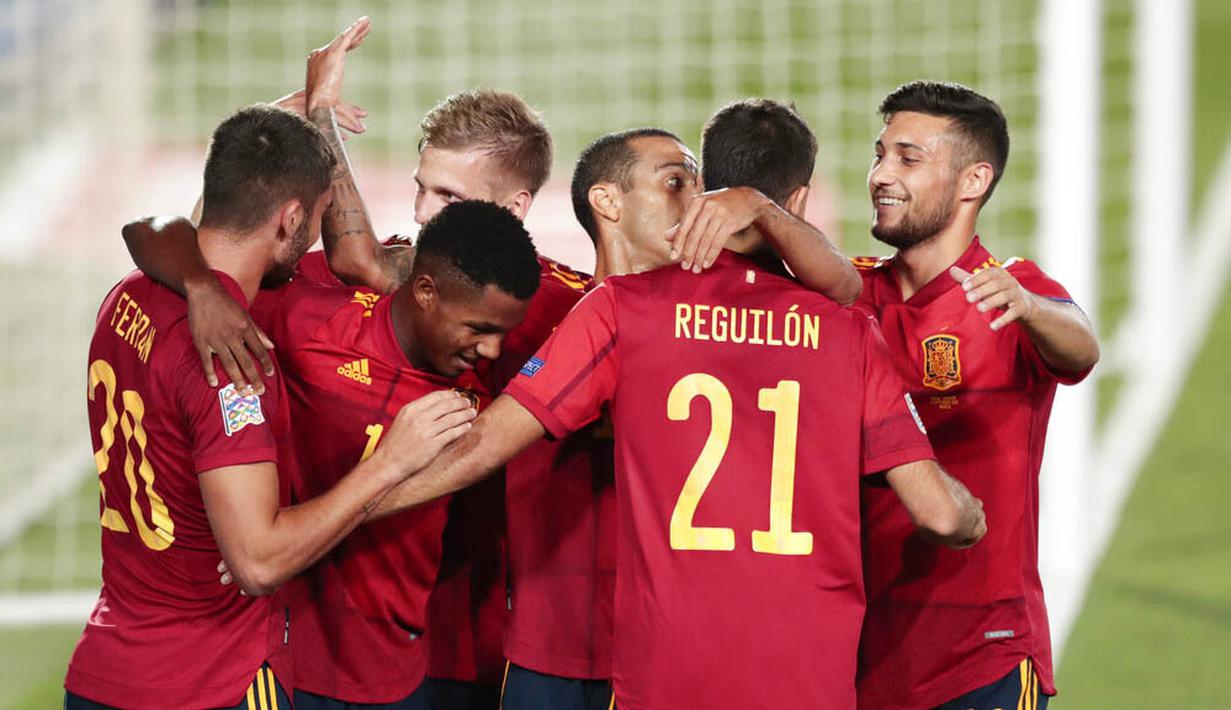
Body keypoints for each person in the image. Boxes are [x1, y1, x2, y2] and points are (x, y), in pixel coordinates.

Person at [371, 99, 988, 710]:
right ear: (795, 203)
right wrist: (972, 513)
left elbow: (482, 444)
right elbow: (940, 515)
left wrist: (347, 507)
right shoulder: (849, 331)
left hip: (666, 677)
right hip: (808, 682)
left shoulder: (624, 312)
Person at [65, 104, 474, 710]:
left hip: (105, 671)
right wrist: (390, 462)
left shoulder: (127, 295)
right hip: (212, 680)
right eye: (312, 219)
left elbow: (155, 226)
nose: (312, 237)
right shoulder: (233, 364)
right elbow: (257, 562)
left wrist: (303, 108)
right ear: (289, 220)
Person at [125, 199, 542, 710]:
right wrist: (204, 287)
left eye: (504, 334)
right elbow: (150, 229)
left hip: (395, 675)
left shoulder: (479, 401)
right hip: (283, 664)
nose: (492, 351)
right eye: (479, 330)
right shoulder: (310, 326)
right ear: (427, 291)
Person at [852, 80, 1100, 710]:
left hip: (980, 658)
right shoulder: (852, 294)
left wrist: (1029, 309)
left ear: (972, 181)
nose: (881, 174)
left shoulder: (1011, 291)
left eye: (908, 158)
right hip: (860, 657)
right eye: (879, 154)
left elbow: (1081, 347)